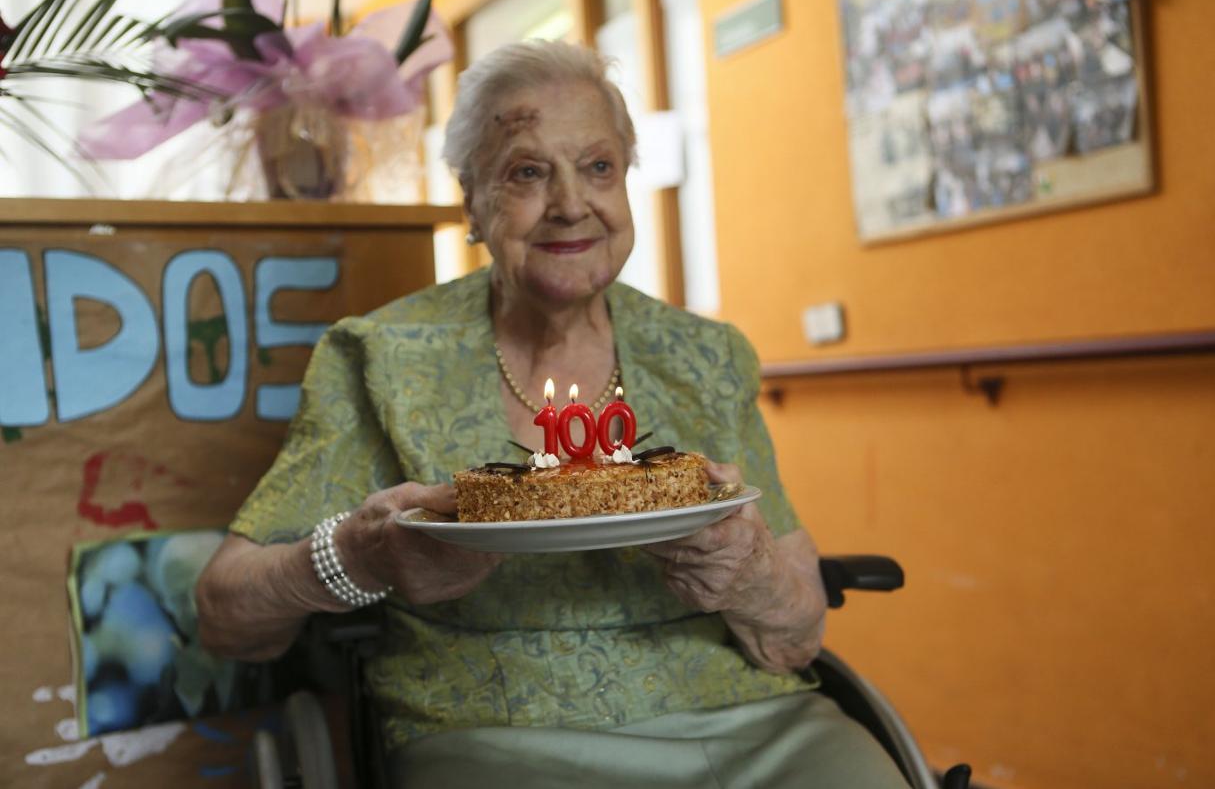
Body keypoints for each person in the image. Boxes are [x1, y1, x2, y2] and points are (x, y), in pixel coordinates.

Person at [196, 40, 906, 788]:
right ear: (473, 202)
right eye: (528, 172)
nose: (572, 203)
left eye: (598, 167)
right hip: (495, 739)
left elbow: (792, 641)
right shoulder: (381, 359)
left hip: (750, 725)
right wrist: (360, 557)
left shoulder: (707, 357)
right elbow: (225, 613)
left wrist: (750, 573)